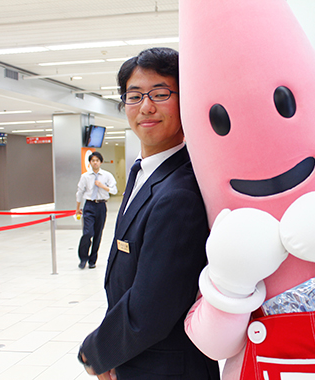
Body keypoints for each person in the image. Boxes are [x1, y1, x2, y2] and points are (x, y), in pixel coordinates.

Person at [77, 47, 220, 380]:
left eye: (160, 93)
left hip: (167, 366)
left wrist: (97, 352)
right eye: (134, 95)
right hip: (139, 357)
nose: (146, 107)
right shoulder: (147, 172)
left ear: (186, 99)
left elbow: (152, 308)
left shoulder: (180, 192)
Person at [75, 151, 117, 269]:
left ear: (101, 162)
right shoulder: (85, 176)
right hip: (89, 206)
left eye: (97, 161)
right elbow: (80, 192)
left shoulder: (107, 176)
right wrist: (78, 208)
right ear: (90, 163)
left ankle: (92, 260)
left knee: (98, 234)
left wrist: (102, 185)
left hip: (101, 206)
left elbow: (114, 190)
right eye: (93, 161)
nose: (95, 163)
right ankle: (83, 258)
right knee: (88, 233)